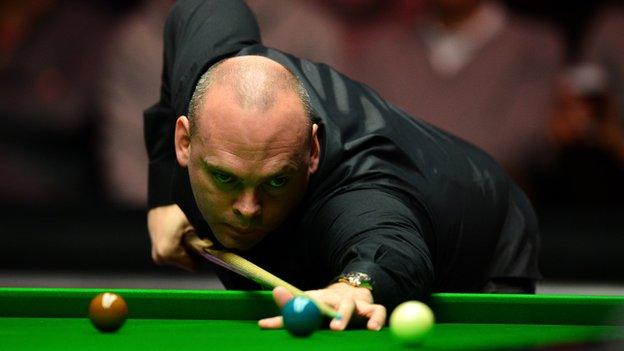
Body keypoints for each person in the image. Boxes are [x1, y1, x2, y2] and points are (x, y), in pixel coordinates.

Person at [144, 0, 540, 331]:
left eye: (277, 181)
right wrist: (165, 196)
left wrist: (355, 285)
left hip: (480, 237)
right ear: (185, 140)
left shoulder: (357, 188)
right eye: (225, 177)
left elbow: (393, 245)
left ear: (312, 150)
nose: (248, 208)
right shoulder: (206, 61)